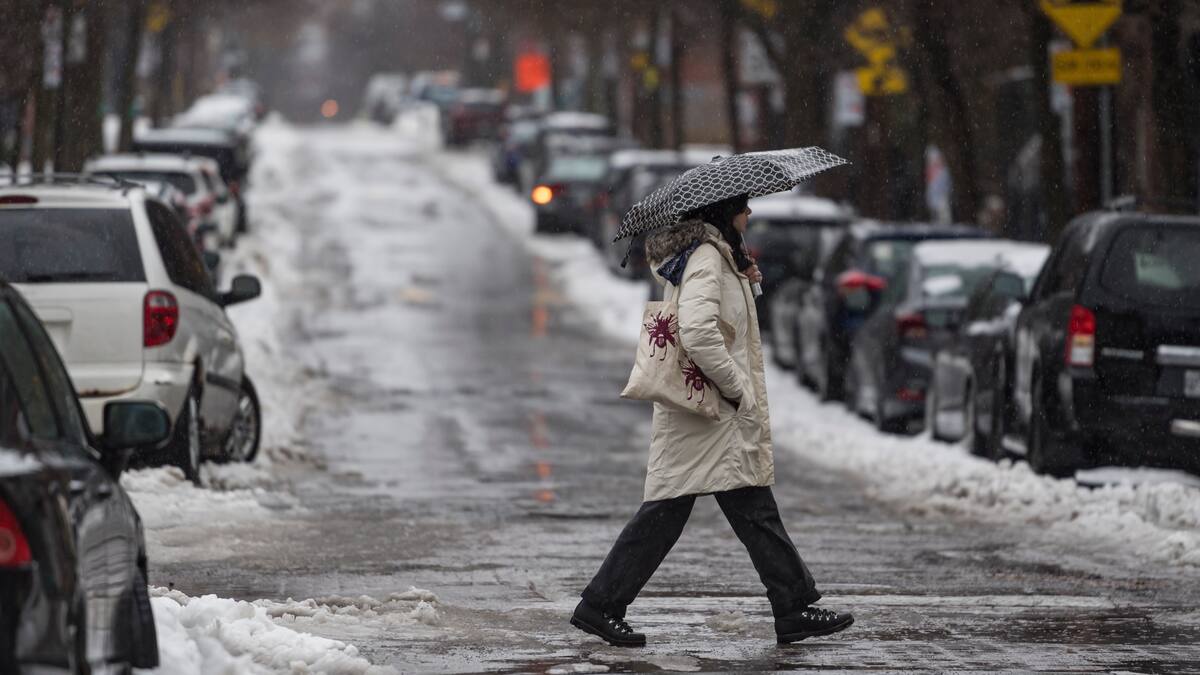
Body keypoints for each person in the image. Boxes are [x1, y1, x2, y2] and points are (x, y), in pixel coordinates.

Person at [570, 194, 854, 647]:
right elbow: (699, 332)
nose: (751, 213)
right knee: (670, 511)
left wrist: (747, 281)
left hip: (710, 415)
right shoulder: (706, 257)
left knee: (750, 507)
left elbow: (723, 321)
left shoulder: (716, 257)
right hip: (707, 413)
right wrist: (736, 387)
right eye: (744, 205)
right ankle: (601, 604)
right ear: (725, 213)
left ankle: (793, 605)